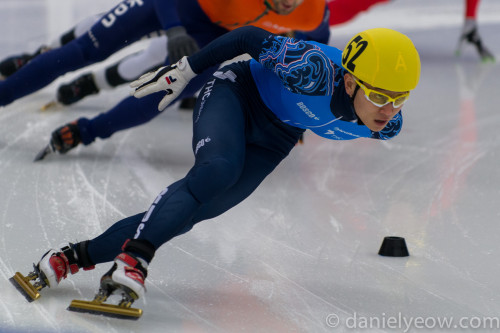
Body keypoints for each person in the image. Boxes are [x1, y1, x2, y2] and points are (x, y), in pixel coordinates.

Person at [14, 26, 420, 314]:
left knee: (196, 211)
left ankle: (70, 257)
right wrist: (186, 71)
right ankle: (134, 262)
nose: (389, 109)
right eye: (379, 95)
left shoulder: (387, 125)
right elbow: (245, 36)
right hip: (235, 92)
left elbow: (330, 117)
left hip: (277, 134)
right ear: (349, 83)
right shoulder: (310, 69)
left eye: (399, 98)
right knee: (216, 172)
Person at [34, 0, 330, 158]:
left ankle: (88, 88)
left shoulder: (311, 14)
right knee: (142, 50)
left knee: (160, 82)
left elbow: (313, 55)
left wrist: (294, 109)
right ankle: (62, 59)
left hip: (219, 34)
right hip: (188, 14)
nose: (289, 3)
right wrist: (175, 28)